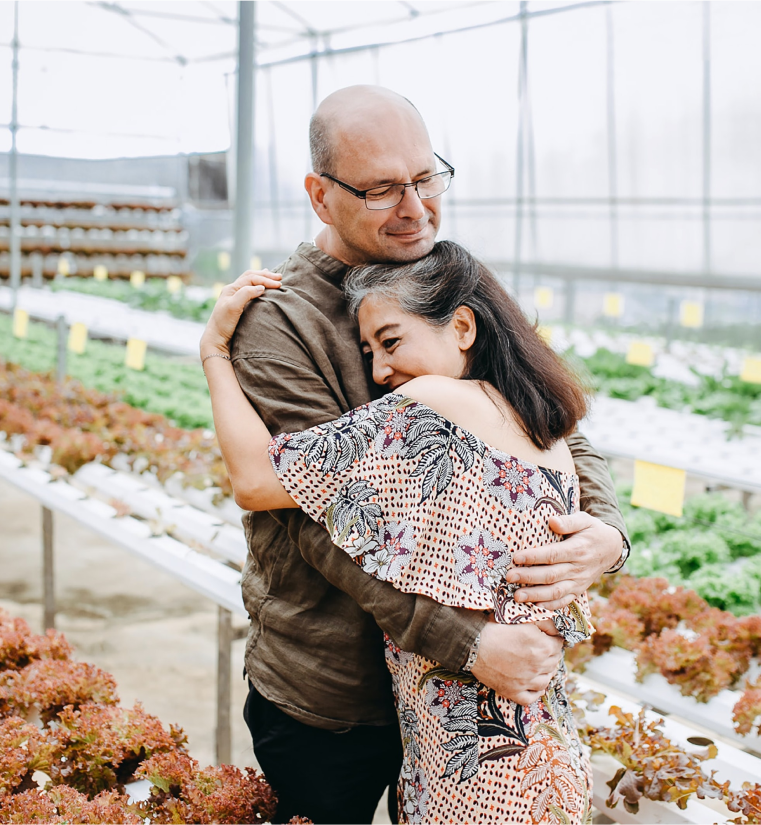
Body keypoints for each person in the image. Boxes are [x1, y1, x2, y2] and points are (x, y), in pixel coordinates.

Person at [227, 85, 629, 825]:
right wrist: (468, 642)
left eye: (426, 178)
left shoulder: (443, 274)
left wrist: (605, 531)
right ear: (320, 195)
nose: (415, 207)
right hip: (337, 690)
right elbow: (320, 524)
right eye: (382, 188)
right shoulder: (279, 319)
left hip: (466, 694)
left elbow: (546, 413)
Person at [201, 240, 598, 824]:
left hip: (474, 768)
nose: (380, 371)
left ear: (462, 326)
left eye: (390, 341)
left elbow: (257, 480)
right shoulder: (544, 431)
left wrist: (214, 352)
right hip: (538, 746)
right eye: (368, 352)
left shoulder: (432, 404)